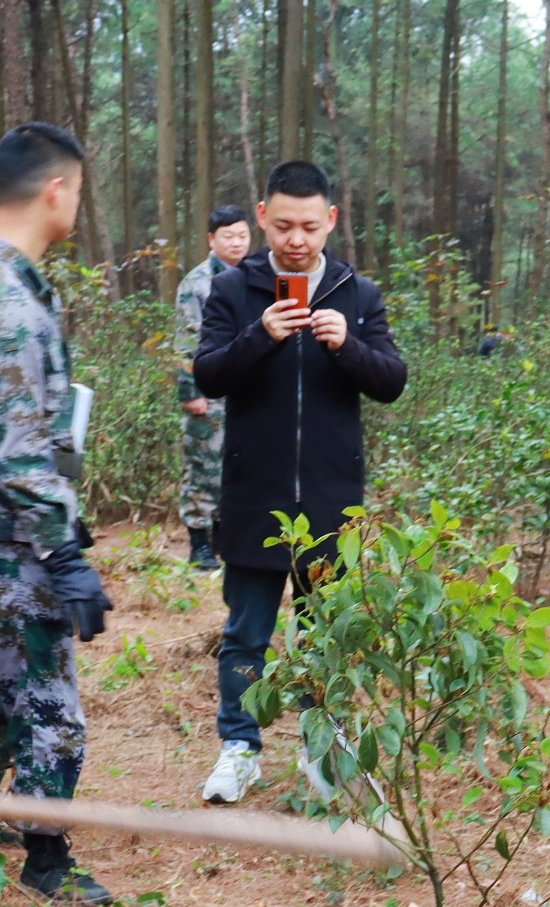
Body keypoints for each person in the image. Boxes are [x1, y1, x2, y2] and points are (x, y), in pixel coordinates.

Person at [0, 122, 115, 905]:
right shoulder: (6, 301)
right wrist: (64, 554)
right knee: (50, 699)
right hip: (14, 531)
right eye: (77, 188)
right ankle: (46, 860)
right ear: (56, 189)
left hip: (0, 525)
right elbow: (17, 451)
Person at [191, 160, 407, 805]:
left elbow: (391, 381)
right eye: (282, 224)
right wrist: (259, 336)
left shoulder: (356, 292)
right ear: (261, 217)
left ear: (330, 221)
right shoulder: (234, 291)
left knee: (327, 631)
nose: (295, 238)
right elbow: (208, 375)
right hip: (254, 497)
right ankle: (239, 748)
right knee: (246, 632)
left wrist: (349, 347)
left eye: (309, 226)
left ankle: (328, 749)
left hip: (329, 501)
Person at [174, 204, 254, 570]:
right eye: (228, 236)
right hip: (210, 386)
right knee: (204, 464)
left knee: (239, 464)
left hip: (247, 388)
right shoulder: (196, 283)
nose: (237, 243)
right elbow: (186, 340)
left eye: (242, 235)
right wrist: (191, 391)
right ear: (211, 239)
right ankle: (198, 541)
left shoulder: (256, 276)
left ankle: (226, 535)